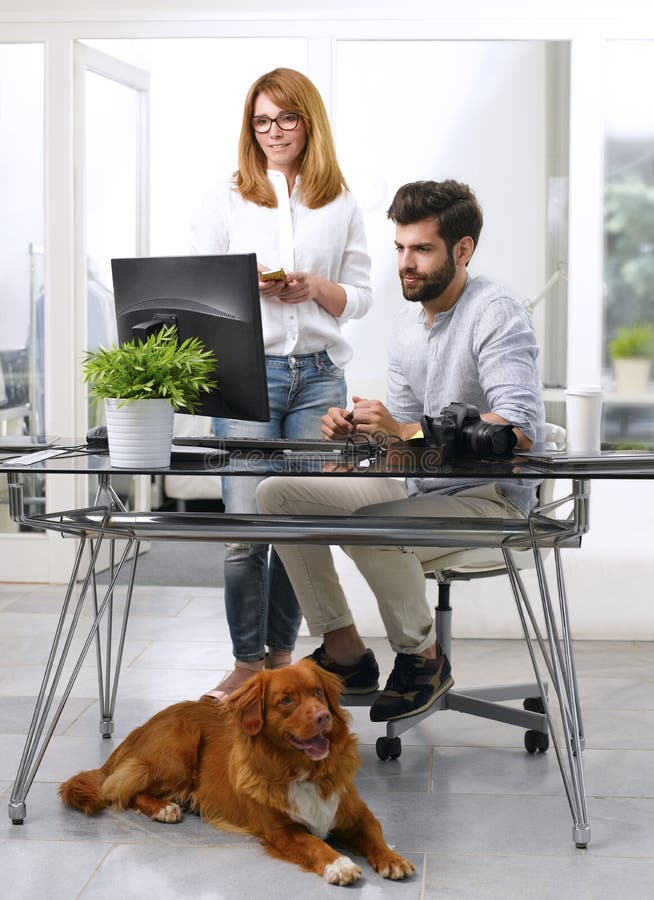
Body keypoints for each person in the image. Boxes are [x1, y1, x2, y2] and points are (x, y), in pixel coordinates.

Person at [256, 179, 545, 723]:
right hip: (422, 487)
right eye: (400, 249)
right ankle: (346, 652)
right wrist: (361, 437)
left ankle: (423, 660)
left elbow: (519, 428)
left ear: (463, 251)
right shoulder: (408, 330)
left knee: (373, 524)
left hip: (493, 500)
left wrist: (404, 431)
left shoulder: (496, 312)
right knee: (278, 493)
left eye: (422, 249)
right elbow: (405, 439)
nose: (406, 263)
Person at [190, 68, 372, 700]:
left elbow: (363, 297)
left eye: (285, 120)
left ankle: (279, 658)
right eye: (261, 122)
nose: (272, 133)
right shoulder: (227, 197)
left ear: (309, 122)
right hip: (246, 376)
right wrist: (255, 285)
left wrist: (315, 287)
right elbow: (200, 293)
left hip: (319, 380)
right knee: (245, 527)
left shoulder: (340, 200)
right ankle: (246, 664)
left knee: (299, 523)